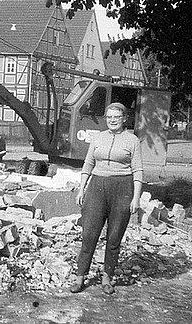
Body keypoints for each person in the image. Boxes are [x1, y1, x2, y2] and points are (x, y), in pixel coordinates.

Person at [70, 102, 143, 295]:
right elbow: (88, 164)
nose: (112, 120)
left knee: (114, 237)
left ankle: (107, 277)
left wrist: (136, 198)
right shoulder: (98, 138)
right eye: (109, 117)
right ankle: (80, 277)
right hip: (97, 187)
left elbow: (138, 170)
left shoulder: (132, 140)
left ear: (124, 119)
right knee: (89, 234)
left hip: (122, 187)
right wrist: (81, 189)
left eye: (116, 117)